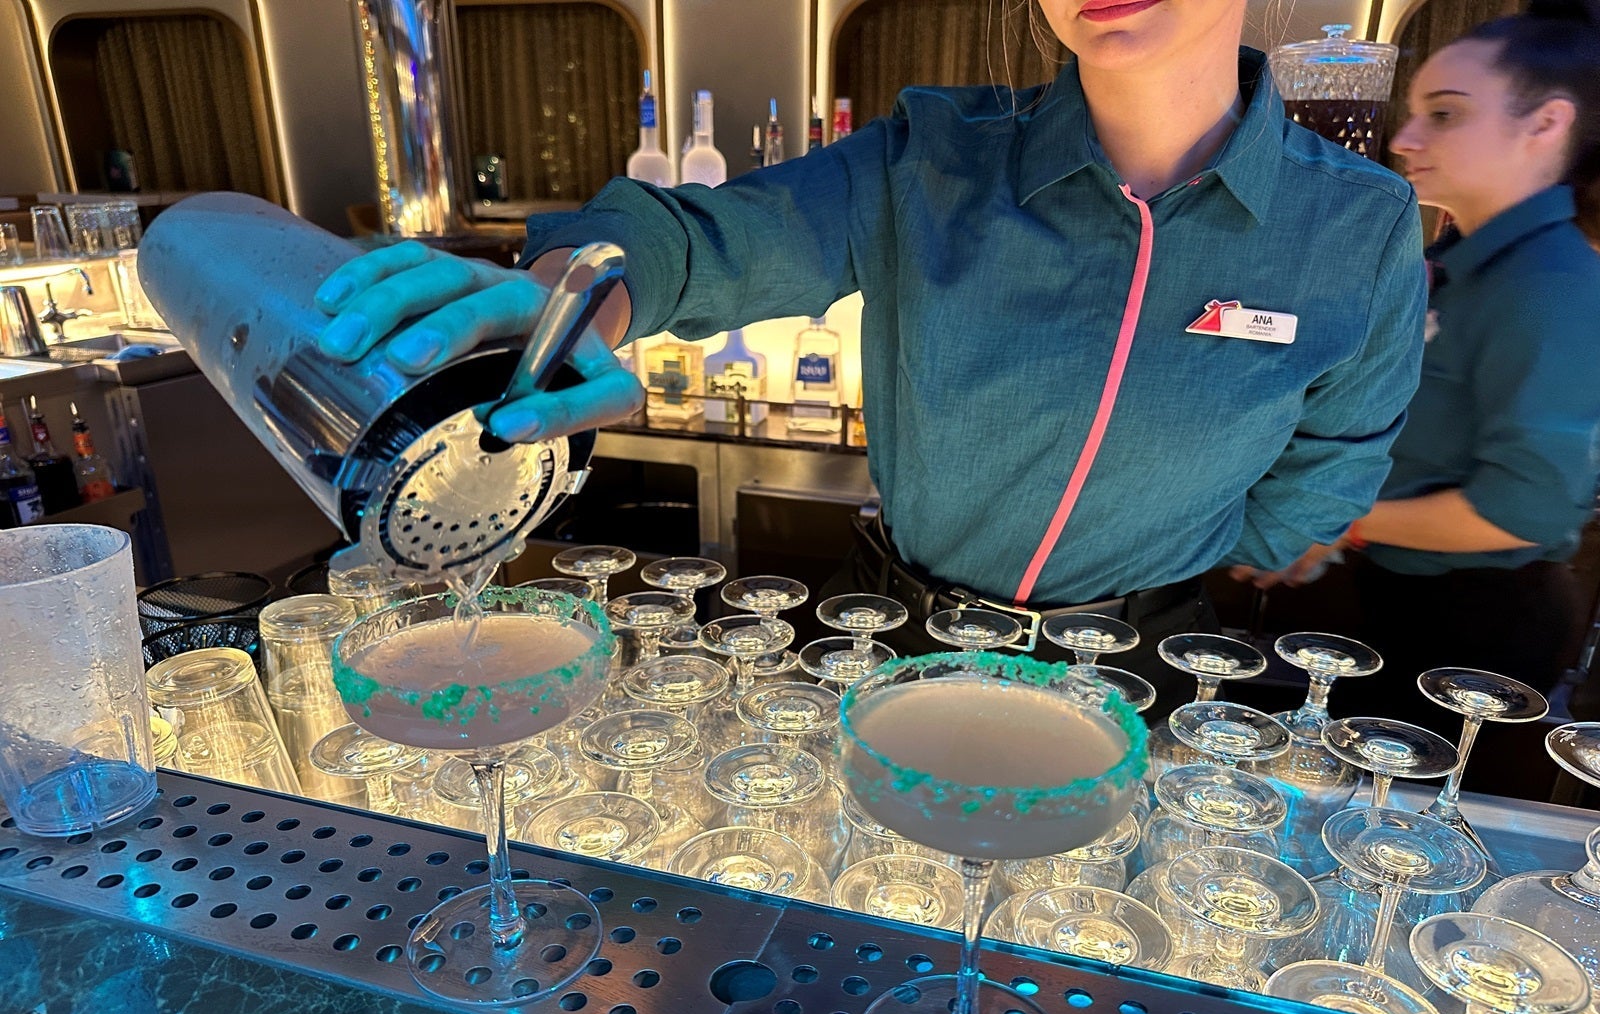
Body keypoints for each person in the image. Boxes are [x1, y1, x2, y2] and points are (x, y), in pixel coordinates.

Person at [313, 0, 1426, 708]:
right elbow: (695, 240)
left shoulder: (1358, 225)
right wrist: (575, 298)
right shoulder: (930, 158)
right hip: (896, 642)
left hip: (1141, 671)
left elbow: (1324, 477)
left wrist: (1163, 560)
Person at [1237, 0, 1600, 798]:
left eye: (1444, 114)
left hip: (1478, 627)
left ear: (1545, 125)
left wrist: (1333, 520)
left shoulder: (1554, 284)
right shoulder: (1458, 260)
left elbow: (1523, 510)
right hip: (1395, 596)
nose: (1403, 139)